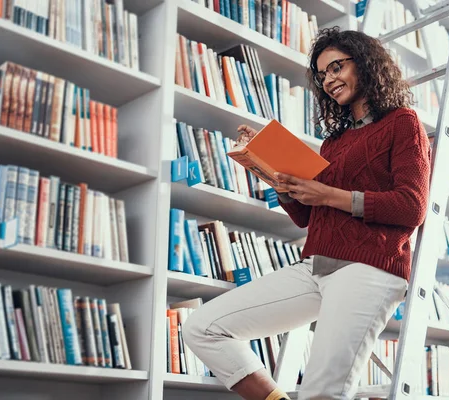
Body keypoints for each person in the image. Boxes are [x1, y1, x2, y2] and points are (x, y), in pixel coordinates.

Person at [183, 26, 431, 400]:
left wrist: (330, 194)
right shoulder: (334, 142)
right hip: (315, 265)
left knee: (321, 392)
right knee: (202, 327)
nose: (329, 80)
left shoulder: (402, 122)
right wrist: (275, 177)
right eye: (322, 75)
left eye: (336, 67)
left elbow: (412, 206)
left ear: (365, 64)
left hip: (368, 268)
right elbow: (305, 217)